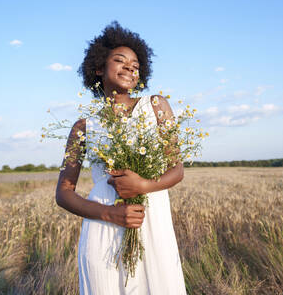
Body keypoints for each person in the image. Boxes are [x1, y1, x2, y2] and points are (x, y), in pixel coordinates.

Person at [55, 21, 187, 294]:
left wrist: (143, 186)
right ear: (98, 68)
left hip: (150, 223)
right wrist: (110, 213)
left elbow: (177, 170)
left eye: (136, 65)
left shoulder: (156, 106)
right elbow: (63, 193)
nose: (130, 67)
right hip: (103, 227)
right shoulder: (84, 126)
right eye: (120, 60)